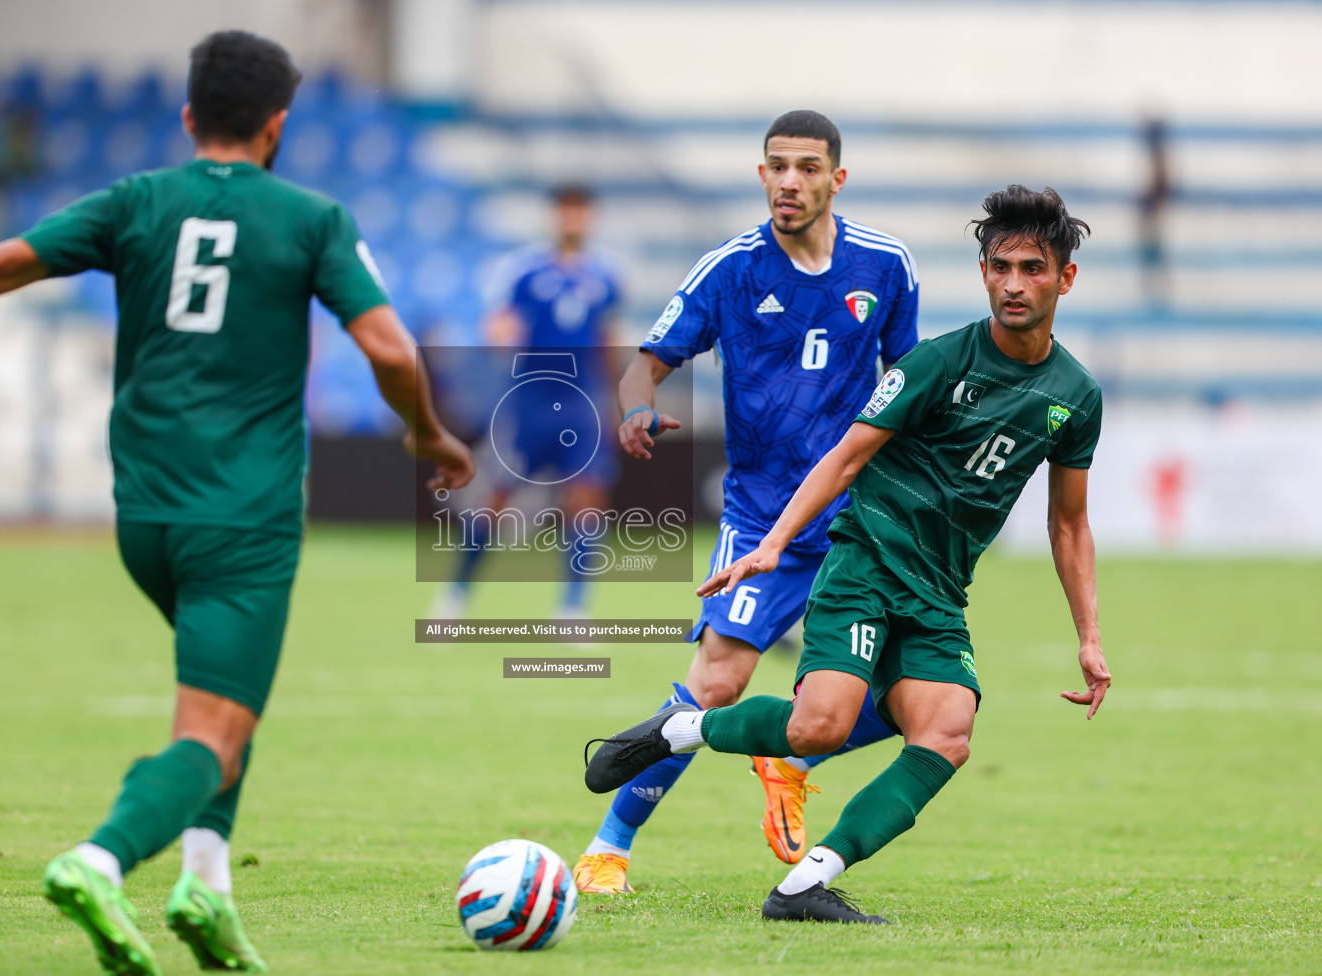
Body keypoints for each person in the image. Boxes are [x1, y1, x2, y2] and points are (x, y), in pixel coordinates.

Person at [0, 31, 473, 976]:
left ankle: (207, 885)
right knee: (212, 731)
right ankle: (100, 859)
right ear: (278, 124)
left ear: (187, 117)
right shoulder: (312, 218)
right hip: (242, 522)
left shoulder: (134, 202)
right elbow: (385, 348)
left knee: (221, 711)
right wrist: (432, 435)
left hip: (143, 518)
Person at [583, 185, 1111, 924]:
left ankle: (804, 886)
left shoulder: (1076, 395)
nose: (1014, 283)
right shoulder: (937, 363)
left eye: (1032, 268)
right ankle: (678, 729)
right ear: (984, 272)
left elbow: (1069, 526)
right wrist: (770, 546)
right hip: (865, 566)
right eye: (1000, 267)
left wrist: (1088, 637)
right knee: (818, 727)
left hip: (936, 593)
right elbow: (844, 458)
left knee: (947, 734)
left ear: (1065, 278)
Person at [573, 110, 917, 895]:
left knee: (913, 694)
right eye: (776, 166)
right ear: (760, 175)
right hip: (761, 517)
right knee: (717, 683)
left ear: (837, 177)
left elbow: (905, 385)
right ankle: (610, 845)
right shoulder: (729, 270)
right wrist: (633, 409)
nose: (789, 181)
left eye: (806, 167)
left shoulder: (886, 266)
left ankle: (791, 757)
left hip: (857, 519)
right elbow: (645, 364)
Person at [432, 184, 623, 620]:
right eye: (566, 211)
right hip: (531, 400)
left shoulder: (607, 275)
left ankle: (573, 609)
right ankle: (457, 593)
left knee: (587, 498)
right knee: (496, 497)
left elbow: (606, 338)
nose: (573, 220)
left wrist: (614, 399)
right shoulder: (523, 270)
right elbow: (499, 324)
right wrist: (501, 338)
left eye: (581, 211)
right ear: (555, 216)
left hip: (582, 402)